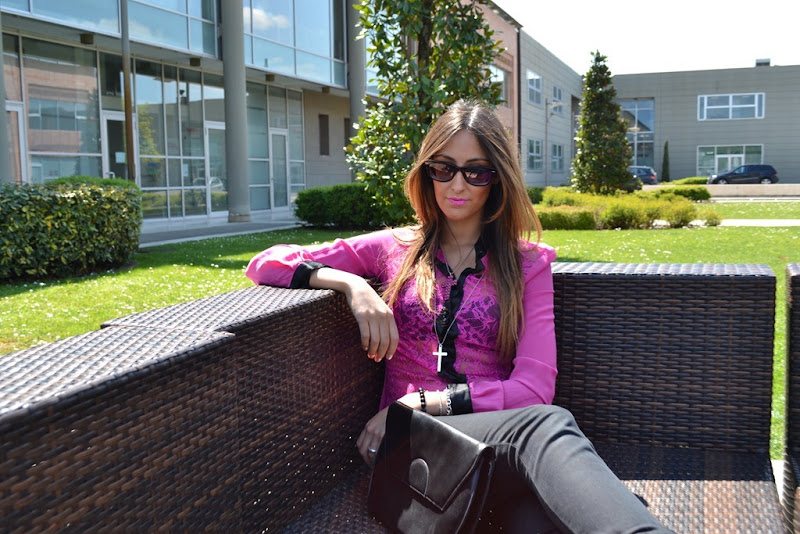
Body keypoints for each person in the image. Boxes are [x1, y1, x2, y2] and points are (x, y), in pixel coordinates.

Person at [245, 100, 670, 533]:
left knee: (536, 522)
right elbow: (266, 263)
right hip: (416, 452)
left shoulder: (527, 265)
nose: (457, 184)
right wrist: (351, 285)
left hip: (492, 447)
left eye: (476, 172)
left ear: (497, 179)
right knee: (547, 426)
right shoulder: (394, 248)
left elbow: (534, 388)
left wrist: (424, 402)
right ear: (426, 172)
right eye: (443, 168)